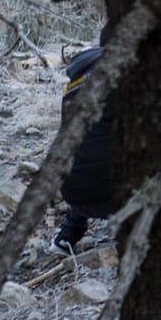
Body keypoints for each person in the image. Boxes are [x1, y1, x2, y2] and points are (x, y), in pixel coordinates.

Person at [51, 42, 117, 252]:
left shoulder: (75, 82)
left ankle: (66, 237)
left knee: (86, 146)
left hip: (73, 192)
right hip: (114, 197)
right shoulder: (134, 72)